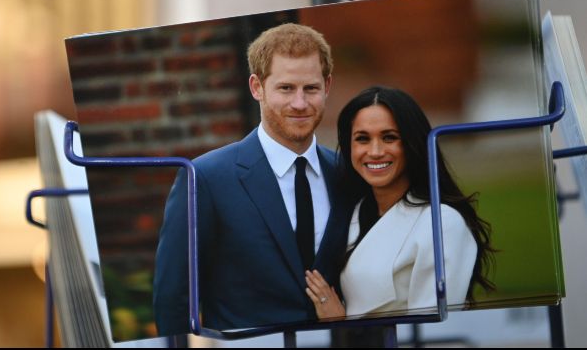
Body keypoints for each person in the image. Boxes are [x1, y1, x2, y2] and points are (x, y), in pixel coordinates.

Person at [153, 23, 355, 335]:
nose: (300, 103)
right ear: (256, 87)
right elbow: (172, 300)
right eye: (286, 88)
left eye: (311, 88)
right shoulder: (205, 178)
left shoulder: (347, 172)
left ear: (327, 86)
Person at [305, 86, 495, 319]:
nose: (375, 151)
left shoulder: (442, 223)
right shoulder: (352, 213)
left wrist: (340, 323)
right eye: (362, 139)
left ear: (411, 143)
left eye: (389, 137)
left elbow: (433, 334)